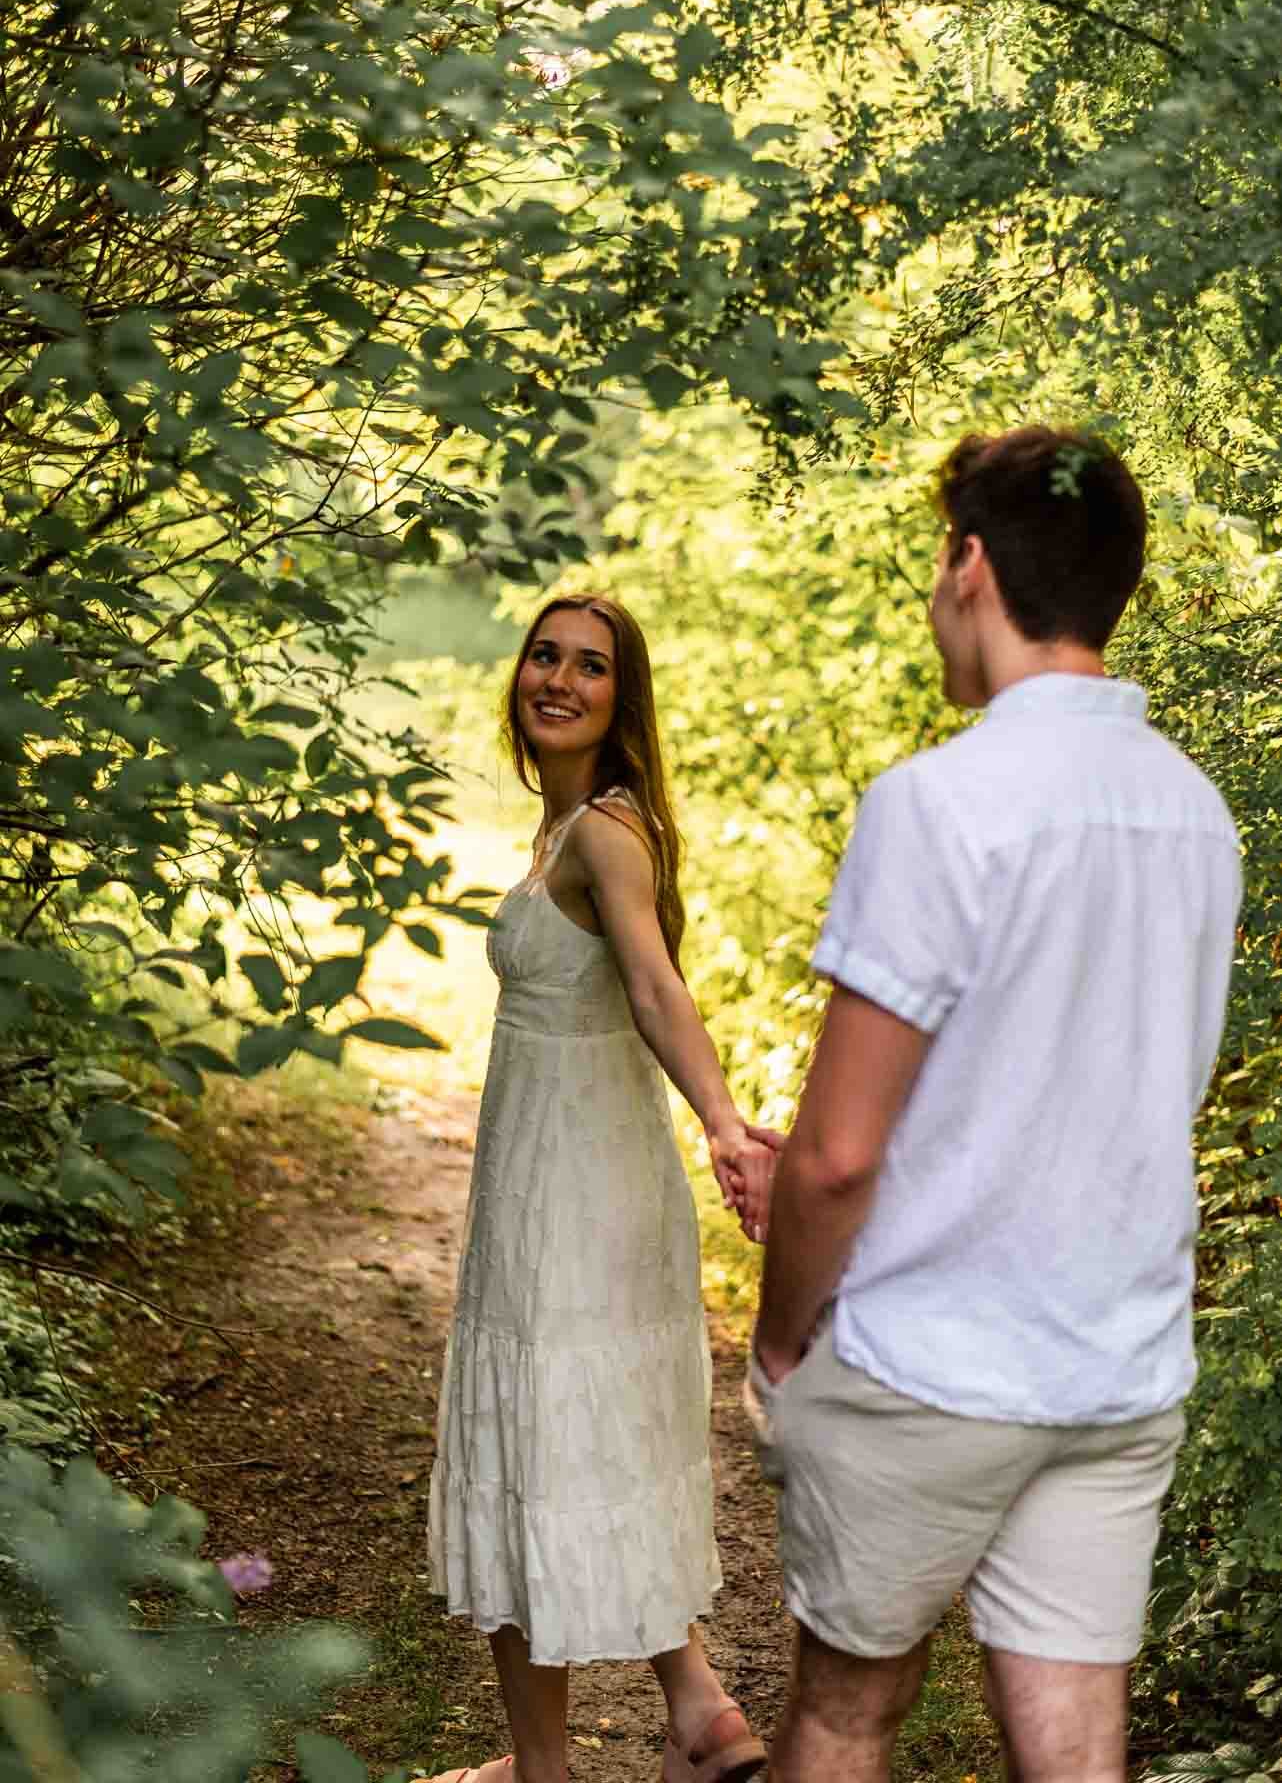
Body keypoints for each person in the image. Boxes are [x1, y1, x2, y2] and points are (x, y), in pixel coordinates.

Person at [746, 428, 1242, 1783]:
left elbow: (835, 1154)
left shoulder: (937, 803)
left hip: (932, 1360)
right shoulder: (1195, 812)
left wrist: (779, 1349)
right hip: (1114, 1365)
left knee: (845, 1716)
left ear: (969, 564)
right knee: (1077, 1754)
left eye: (935, 561)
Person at [428, 594, 772, 1783]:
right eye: (544, 655)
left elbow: (656, 988)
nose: (558, 680)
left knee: (537, 1447)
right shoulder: (567, 829)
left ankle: (545, 1768)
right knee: (581, 1445)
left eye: (590, 667)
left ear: (623, 702)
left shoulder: (605, 836)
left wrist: (725, 1125)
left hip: (572, 1196)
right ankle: (699, 1713)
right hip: (562, 1174)